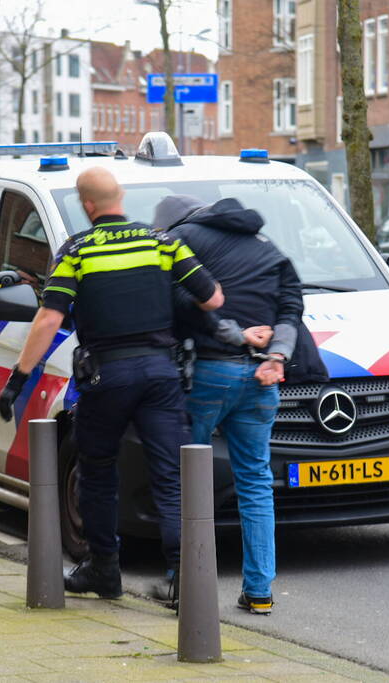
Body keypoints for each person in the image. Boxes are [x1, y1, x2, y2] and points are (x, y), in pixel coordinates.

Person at [0, 167, 223, 599]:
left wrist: (19, 378)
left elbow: (49, 318)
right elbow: (212, 297)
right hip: (161, 374)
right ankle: (182, 580)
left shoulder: (77, 252)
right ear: (120, 198)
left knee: (97, 473)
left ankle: (104, 569)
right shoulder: (163, 243)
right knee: (170, 475)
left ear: (87, 205)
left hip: (107, 376)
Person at [154, 195, 302, 616]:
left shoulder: (181, 239)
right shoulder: (269, 248)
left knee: (188, 479)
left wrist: (231, 334)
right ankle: (259, 591)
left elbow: (179, 301)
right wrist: (277, 357)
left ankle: (186, 585)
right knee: (255, 482)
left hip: (206, 374)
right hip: (262, 378)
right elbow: (292, 308)